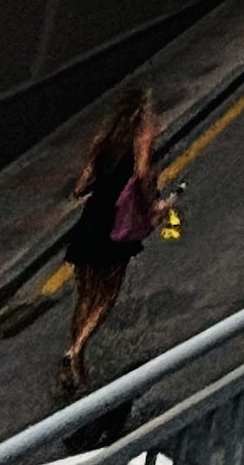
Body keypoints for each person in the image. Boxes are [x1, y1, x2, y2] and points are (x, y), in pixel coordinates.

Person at [59, 85, 161, 397]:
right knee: (107, 296)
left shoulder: (103, 141)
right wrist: (153, 205)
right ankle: (76, 350)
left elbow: (80, 186)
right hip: (116, 224)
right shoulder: (140, 139)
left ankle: (76, 368)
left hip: (90, 220)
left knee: (84, 297)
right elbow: (142, 175)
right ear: (138, 114)